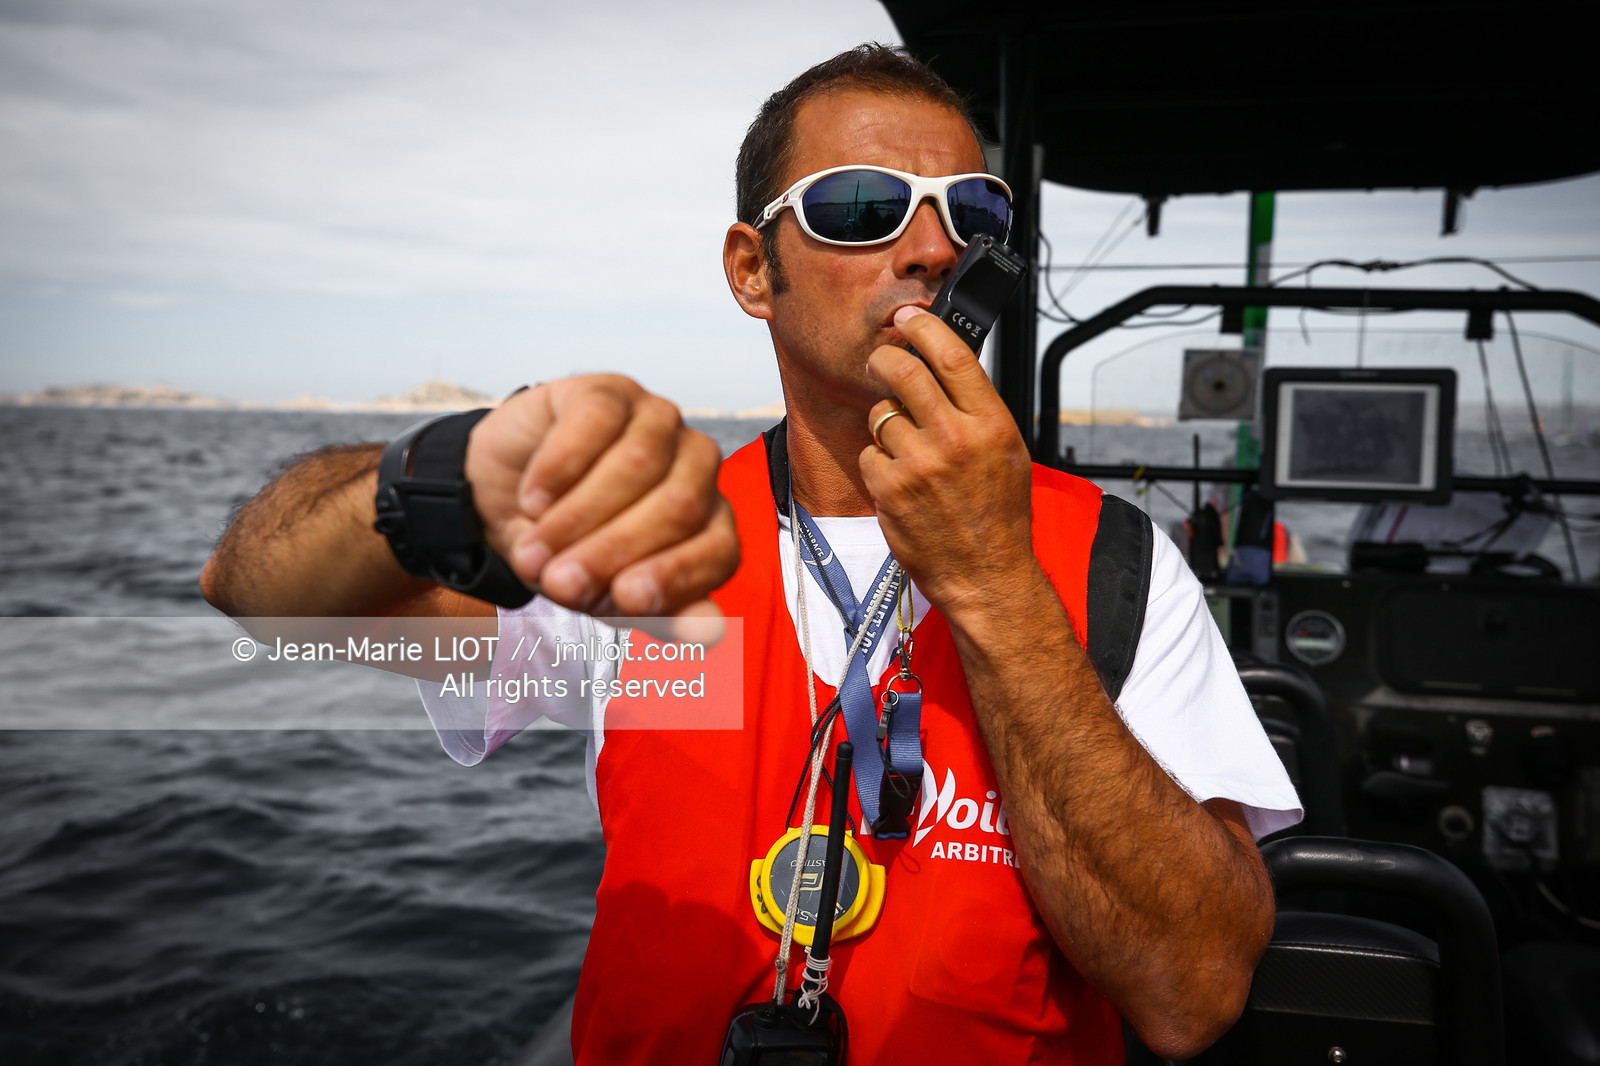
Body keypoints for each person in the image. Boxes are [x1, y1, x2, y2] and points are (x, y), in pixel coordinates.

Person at [203, 44, 1299, 1066]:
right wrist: (439, 472)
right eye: (861, 207)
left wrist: (994, 583)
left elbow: (1193, 989)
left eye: (972, 212)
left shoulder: (1115, 559)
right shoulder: (650, 549)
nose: (931, 249)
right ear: (751, 269)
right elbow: (259, 598)